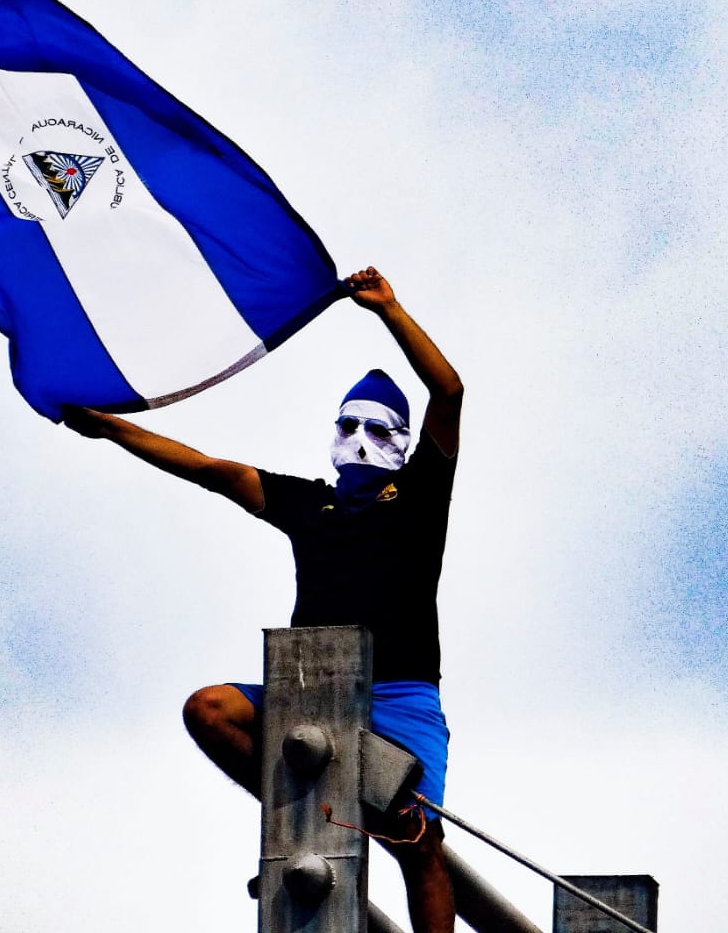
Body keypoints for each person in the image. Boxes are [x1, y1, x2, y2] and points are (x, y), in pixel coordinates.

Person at [59, 266, 462, 933]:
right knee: (210, 709)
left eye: (382, 431)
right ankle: (300, 809)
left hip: (400, 696)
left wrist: (389, 310)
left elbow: (448, 390)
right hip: (311, 693)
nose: (363, 441)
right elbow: (209, 469)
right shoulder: (310, 502)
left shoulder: (421, 498)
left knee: (419, 845)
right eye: (351, 426)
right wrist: (111, 429)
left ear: (403, 439)